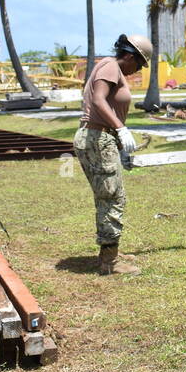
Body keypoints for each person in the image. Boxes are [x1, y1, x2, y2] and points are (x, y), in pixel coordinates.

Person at [74, 33, 150, 275]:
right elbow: (98, 100)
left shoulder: (112, 70)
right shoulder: (109, 66)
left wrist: (119, 142)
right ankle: (109, 262)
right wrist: (121, 128)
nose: (137, 70)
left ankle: (110, 252)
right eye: (139, 64)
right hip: (98, 138)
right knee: (112, 198)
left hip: (101, 139)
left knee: (110, 196)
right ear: (129, 56)